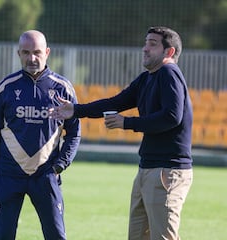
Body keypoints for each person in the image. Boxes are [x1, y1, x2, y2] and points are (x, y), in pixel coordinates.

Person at [50, 26, 193, 240]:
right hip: (148, 169)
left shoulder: (168, 73)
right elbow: (116, 102)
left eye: (152, 44)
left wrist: (127, 123)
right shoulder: (147, 78)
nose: (145, 48)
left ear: (169, 52)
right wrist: (76, 110)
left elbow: (172, 117)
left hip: (167, 171)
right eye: (146, 43)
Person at [0, 30, 81, 240]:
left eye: (37, 52)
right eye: (26, 52)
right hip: (8, 175)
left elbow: (74, 133)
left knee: (56, 235)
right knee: (3, 236)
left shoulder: (63, 89)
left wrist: (60, 165)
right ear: (18, 54)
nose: (32, 58)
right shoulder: (6, 88)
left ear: (47, 52)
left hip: (46, 175)